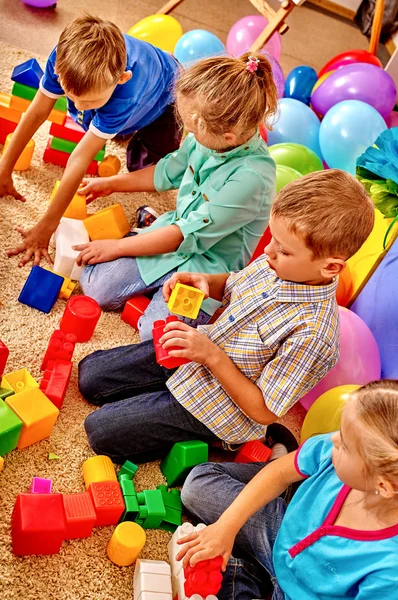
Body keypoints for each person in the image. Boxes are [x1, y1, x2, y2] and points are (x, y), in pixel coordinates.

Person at [78, 170, 375, 464]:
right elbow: (234, 283)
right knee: (90, 375)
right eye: (272, 238)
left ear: (331, 267)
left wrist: (211, 356)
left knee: (100, 432)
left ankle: (221, 442)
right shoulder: (275, 263)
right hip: (195, 356)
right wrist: (205, 281)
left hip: (217, 408)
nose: (268, 251)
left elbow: (264, 410)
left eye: (283, 250)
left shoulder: (314, 336)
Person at [178, 379, 398, 600]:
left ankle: (249, 574)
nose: (333, 438)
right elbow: (278, 473)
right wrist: (227, 527)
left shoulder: (396, 571)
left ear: (383, 485)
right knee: (197, 485)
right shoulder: (334, 451)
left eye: (345, 443)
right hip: (280, 532)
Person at [73, 52, 278, 338]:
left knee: (156, 337)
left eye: (192, 128)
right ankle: (149, 234)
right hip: (169, 238)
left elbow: (184, 235)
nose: (187, 132)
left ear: (228, 137)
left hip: (205, 268)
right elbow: (167, 172)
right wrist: (112, 183)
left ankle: (159, 274)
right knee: (95, 287)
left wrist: (117, 247)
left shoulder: (253, 178)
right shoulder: (208, 138)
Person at [4, 15, 181, 266]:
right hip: (127, 90)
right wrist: (4, 169)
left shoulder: (126, 94)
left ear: (121, 78)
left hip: (168, 98)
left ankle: (131, 130)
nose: (76, 106)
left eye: (88, 102)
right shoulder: (62, 58)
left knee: (141, 166)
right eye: (70, 96)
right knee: (98, 122)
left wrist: (47, 227)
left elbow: (80, 157)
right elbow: (37, 111)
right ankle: (116, 123)